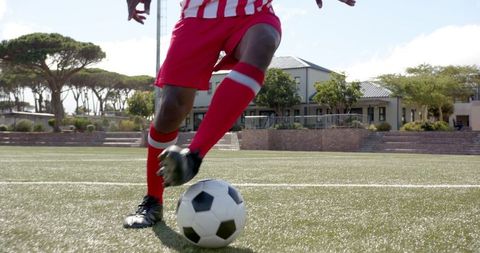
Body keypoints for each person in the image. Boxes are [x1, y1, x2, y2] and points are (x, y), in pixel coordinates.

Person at [123, 0, 356, 229]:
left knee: (263, 42)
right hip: (197, 14)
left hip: (252, 10)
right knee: (171, 109)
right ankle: (154, 199)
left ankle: (192, 157)